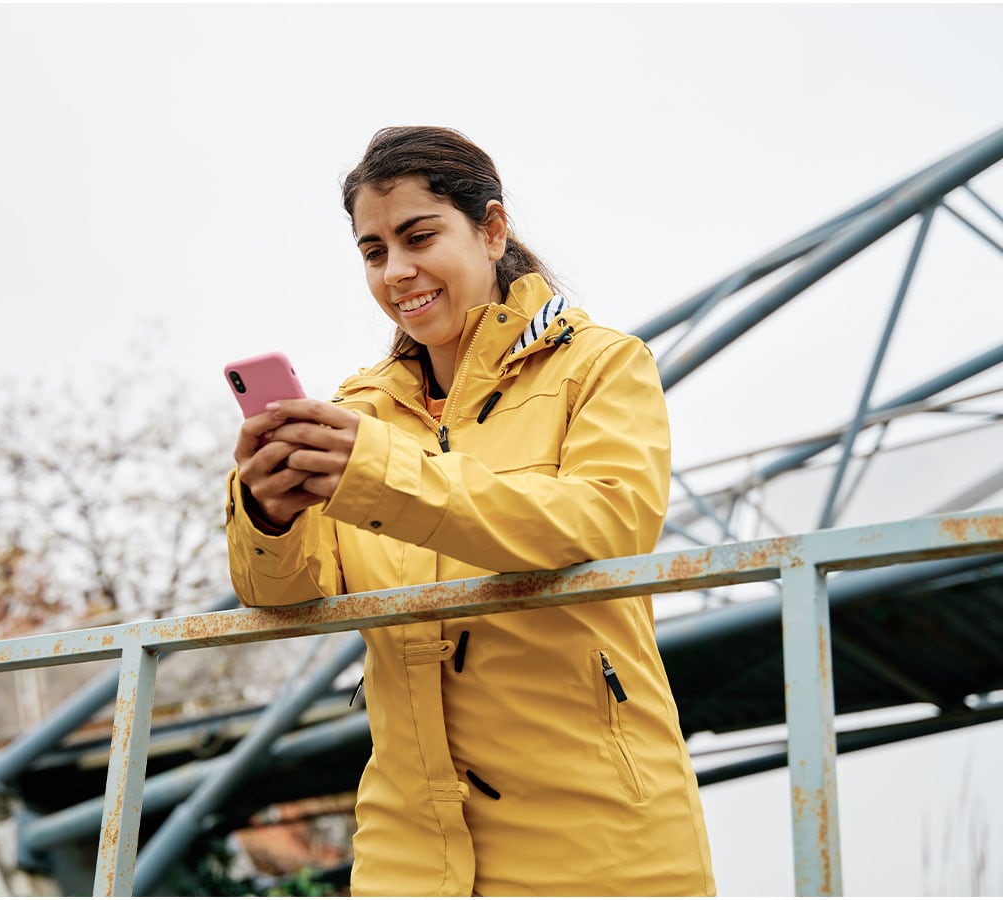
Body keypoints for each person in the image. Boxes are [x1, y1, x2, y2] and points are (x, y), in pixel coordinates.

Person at [226, 126, 714, 897]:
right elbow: (283, 595)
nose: (397, 271)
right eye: (374, 250)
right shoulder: (358, 414)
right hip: (407, 853)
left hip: (601, 842)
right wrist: (268, 515)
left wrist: (379, 474)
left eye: (419, 236)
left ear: (492, 230)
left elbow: (604, 520)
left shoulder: (603, 364)